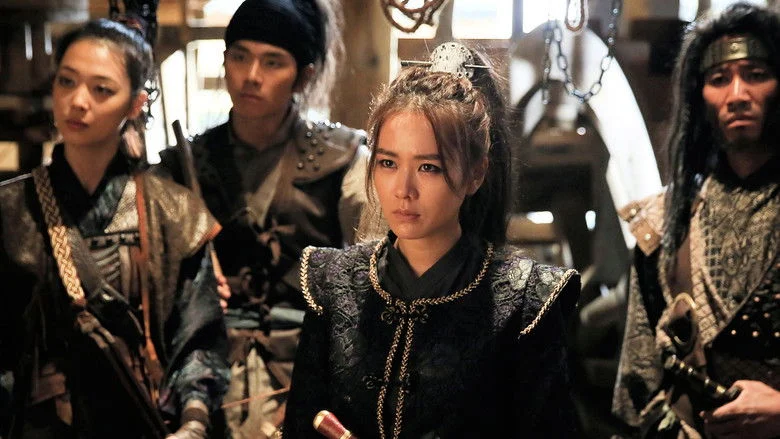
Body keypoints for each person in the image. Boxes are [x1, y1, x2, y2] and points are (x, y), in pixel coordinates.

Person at [281, 42, 581, 438]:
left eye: (429, 167)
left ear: (476, 174)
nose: (403, 190)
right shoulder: (332, 283)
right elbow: (302, 426)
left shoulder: (526, 303)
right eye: (388, 163)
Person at [0, 19, 229, 438]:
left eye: (101, 89)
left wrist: (194, 421)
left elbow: (199, 338)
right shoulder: (10, 209)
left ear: (135, 104)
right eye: (67, 82)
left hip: (145, 421)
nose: (77, 101)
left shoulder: (174, 212)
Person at [157, 0, 368, 436]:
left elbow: (373, 274)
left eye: (272, 62)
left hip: (308, 373)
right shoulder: (184, 165)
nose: (251, 75)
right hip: (205, 373)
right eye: (240, 56)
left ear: (303, 76)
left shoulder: (344, 159)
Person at [612, 3, 780, 438]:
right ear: (699, 96)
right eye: (719, 79)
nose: (737, 94)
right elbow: (637, 388)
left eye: (756, 74)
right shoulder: (663, 223)